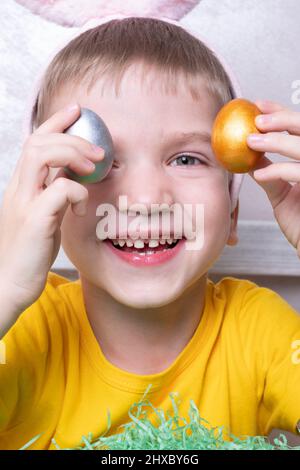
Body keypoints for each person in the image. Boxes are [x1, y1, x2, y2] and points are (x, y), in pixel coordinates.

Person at [0, 14, 299, 450]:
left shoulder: (259, 332)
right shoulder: (25, 329)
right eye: (98, 161)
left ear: (232, 211)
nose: (144, 200)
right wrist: (5, 288)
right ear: (45, 207)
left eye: (186, 160)